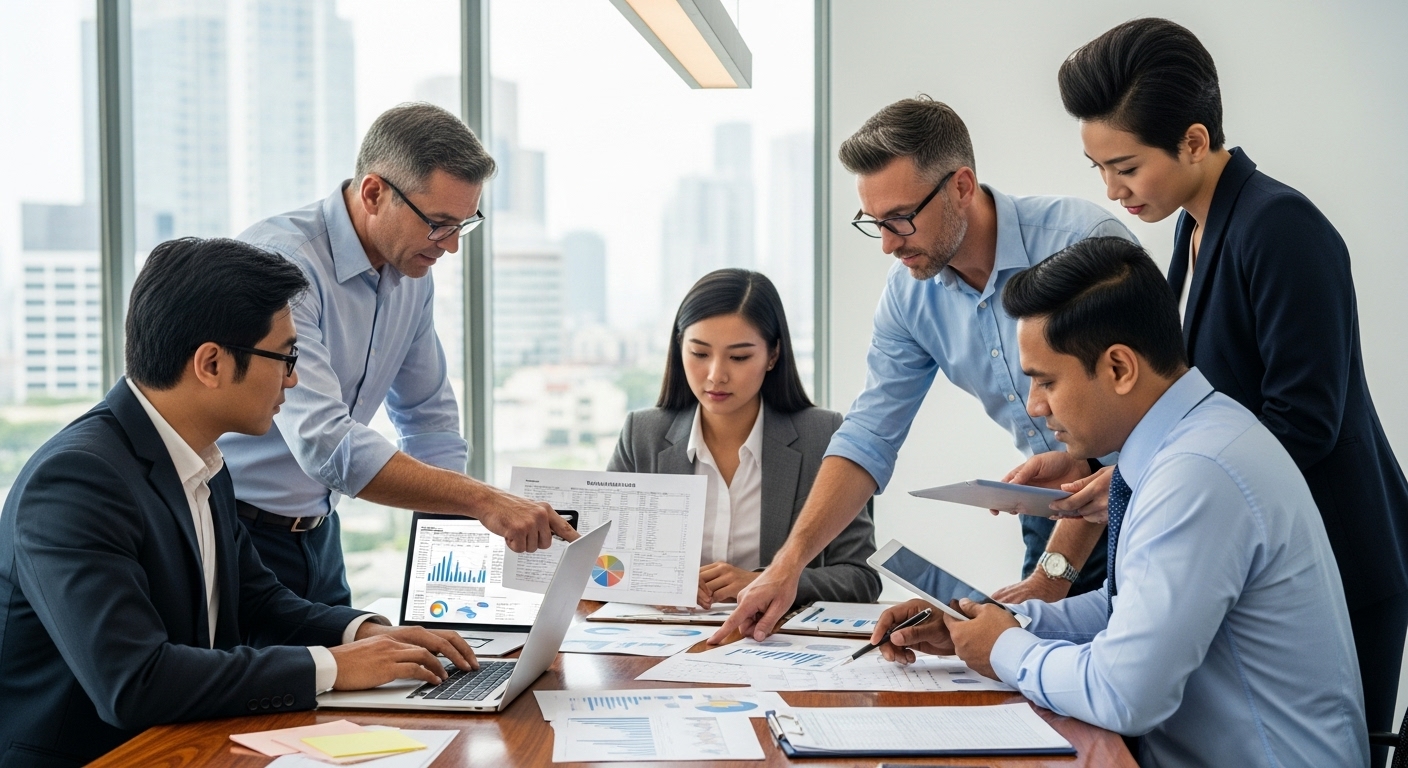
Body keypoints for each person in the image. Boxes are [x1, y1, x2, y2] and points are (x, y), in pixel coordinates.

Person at [875, 236, 1368, 767]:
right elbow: (1125, 607)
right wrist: (991, 622)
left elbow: (1124, 695)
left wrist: (1004, 649)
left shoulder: (1197, 474)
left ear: (1118, 368)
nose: (1036, 406)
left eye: (1046, 381)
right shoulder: (1190, 438)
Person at [1055, 18, 1408, 753]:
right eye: (1098, 169)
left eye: (1125, 166)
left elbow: (1304, 419)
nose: (1112, 190)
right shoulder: (1193, 228)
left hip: (1335, 558)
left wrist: (1152, 477)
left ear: (1192, 141)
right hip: (1246, 549)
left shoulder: (1280, 226)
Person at [0, 238, 481, 766]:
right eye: (286, 356)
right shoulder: (76, 482)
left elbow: (259, 602)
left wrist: (368, 634)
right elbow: (133, 681)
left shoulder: (204, 459)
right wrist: (336, 666)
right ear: (211, 363)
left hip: (190, 741)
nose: (294, 379)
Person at [713, 96, 1135, 644]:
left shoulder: (1080, 244)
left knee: (1119, 685)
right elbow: (869, 435)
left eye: (901, 220)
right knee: (1032, 661)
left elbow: (1130, 415)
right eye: (875, 223)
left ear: (961, 186)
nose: (889, 244)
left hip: (1133, 492)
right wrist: (787, 565)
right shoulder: (909, 295)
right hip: (1053, 509)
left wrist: (1050, 581)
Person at [221, 103, 577, 607]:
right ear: (373, 193)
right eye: (438, 223)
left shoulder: (411, 275)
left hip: (319, 534)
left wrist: (458, 590)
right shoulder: (284, 264)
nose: (451, 246)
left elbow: (428, 419)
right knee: (276, 685)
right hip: (238, 533)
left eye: (464, 224)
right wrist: (481, 500)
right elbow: (326, 444)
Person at [608, 269, 880, 608]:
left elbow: (861, 578)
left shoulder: (821, 436)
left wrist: (768, 580)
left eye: (739, 357)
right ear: (680, 348)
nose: (716, 375)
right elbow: (597, 560)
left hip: (772, 645)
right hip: (661, 641)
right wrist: (659, 579)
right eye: (699, 353)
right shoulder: (642, 435)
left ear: (773, 355)